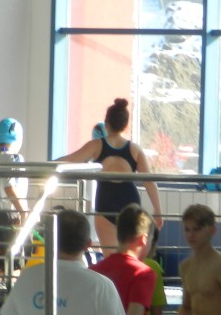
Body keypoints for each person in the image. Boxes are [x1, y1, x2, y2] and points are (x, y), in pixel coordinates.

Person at [57, 98, 163, 253]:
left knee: (111, 257)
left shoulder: (96, 145)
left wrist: (47, 164)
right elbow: (149, 182)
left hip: (105, 204)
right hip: (130, 204)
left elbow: (70, 160)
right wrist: (158, 211)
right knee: (130, 256)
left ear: (106, 123)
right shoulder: (135, 149)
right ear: (125, 125)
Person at [0, 118, 28, 274]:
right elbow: (10, 188)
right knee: (14, 265)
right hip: (9, 217)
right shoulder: (14, 158)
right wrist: (24, 212)